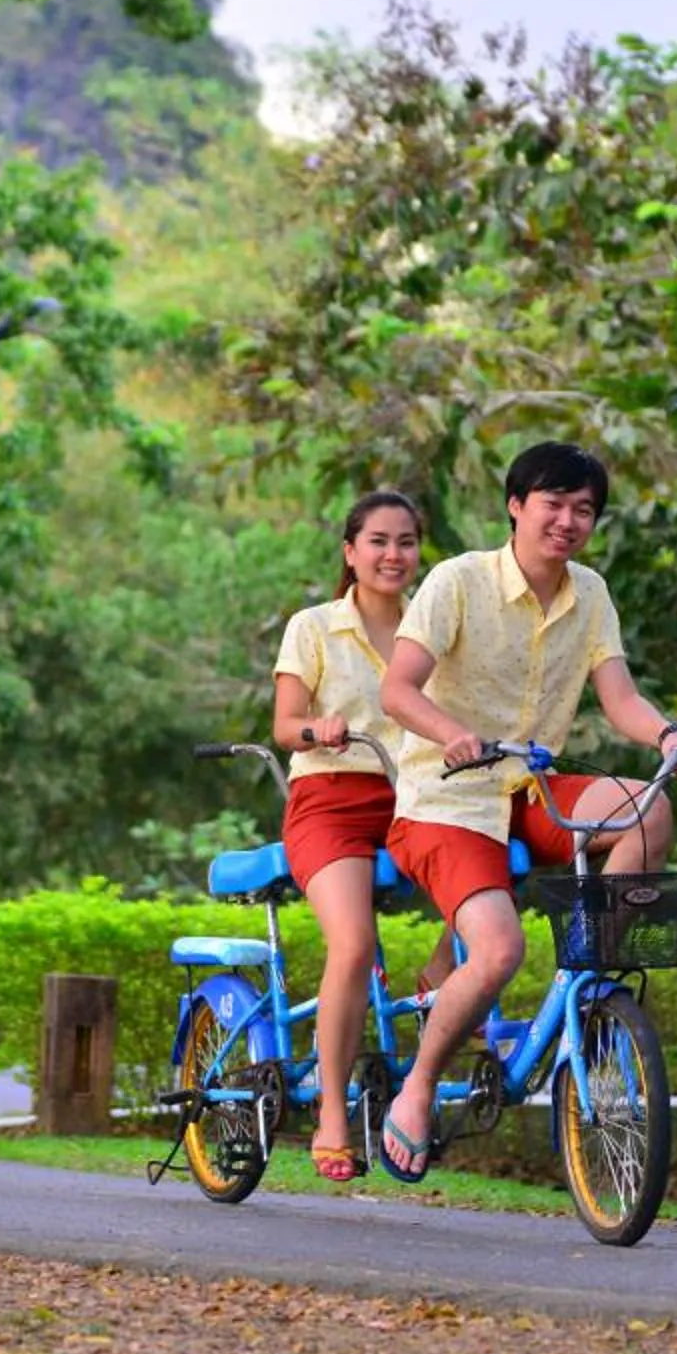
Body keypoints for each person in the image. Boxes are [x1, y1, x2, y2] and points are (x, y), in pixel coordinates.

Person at [371, 441, 677, 1183]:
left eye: (584, 509)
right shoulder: (459, 581)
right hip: (447, 799)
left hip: (532, 790)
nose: (568, 520)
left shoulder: (591, 593)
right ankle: (418, 1088)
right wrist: (452, 733)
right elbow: (398, 689)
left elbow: (619, 698)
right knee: (498, 951)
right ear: (517, 505)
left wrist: (668, 735)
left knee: (647, 809)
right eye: (553, 503)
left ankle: (588, 977)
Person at [269, 488, 424, 1183]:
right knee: (354, 943)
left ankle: (436, 992)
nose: (394, 555)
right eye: (379, 541)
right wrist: (317, 729)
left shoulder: (433, 625)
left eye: (407, 542)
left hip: (414, 798)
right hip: (330, 799)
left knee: (495, 889)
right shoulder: (314, 626)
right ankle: (333, 1113)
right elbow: (283, 724)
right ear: (351, 552)